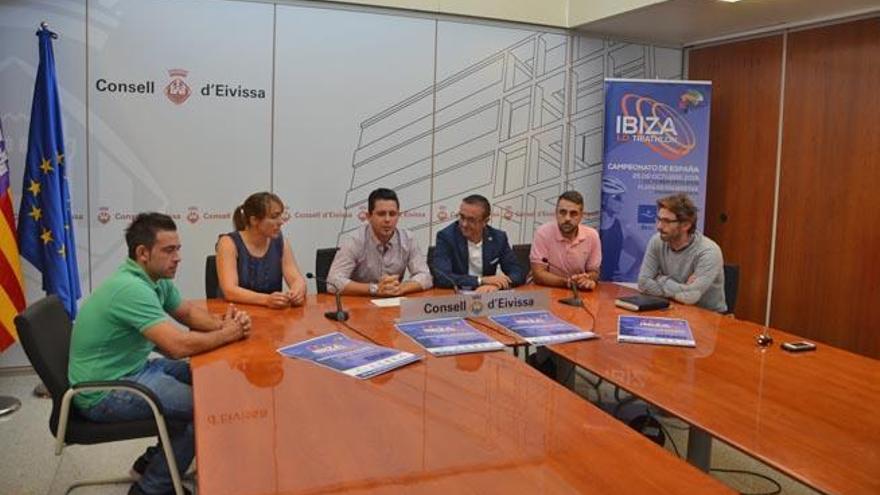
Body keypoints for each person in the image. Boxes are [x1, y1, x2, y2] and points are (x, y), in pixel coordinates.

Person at [68, 212, 251, 495]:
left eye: (177, 249)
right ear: (143, 253)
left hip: (134, 370)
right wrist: (228, 334)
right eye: (169, 250)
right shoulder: (131, 289)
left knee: (207, 378)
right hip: (102, 391)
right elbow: (176, 347)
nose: (177, 257)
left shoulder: (154, 277)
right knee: (202, 409)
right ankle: (153, 489)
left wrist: (223, 324)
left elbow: (187, 313)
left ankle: (151, 462)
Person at [327, 187, 432, 297]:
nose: (387, 219)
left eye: (392, 214)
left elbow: (425, 276)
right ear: (369, 217)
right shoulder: (355, 240)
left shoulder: (408, 239)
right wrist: (375, 288)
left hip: (394, 303)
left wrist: (401, 288)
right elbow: (333, 282)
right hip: (360, 304)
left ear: (398, 216)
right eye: (381, 214)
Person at [216, 192, 307, 308]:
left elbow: (296, 278)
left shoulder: (280, 242)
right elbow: (230, 291)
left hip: (272, 317)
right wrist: (266, 299)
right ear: (254, 220)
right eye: (274, 217)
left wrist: (297, 291)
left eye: (280, 216)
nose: (281, 222)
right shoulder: (228, 242)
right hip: (235, 315)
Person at [638, 193, 726, 313]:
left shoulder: (708, 251)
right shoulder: (657, 241)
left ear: (686, 225)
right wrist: (683, 289)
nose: (659, 226)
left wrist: (660, 279)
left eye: (667, 221)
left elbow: (691, 297)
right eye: (659, 219)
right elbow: (643, 283)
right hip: (670, 308)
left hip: (707, 316)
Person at [432, 194, 525, 293]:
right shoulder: (446, 237)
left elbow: (517, 272)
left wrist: (497, 285)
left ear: (485, 221)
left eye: (471, 220)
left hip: (488, 295)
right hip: (456, 298)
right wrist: (481, 281)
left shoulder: (498, 238)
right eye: (462, 217)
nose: (464, 224)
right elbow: (442, 277)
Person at [530, 190, 602, 291]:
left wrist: (587, 279)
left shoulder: (592, 235)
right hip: (547, 291)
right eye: (563, 212)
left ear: (581, 215)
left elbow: (594, 273)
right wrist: (568, 283)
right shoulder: (543, 233)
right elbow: (538, 274)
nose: (567, 218)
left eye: (573, 213)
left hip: (580, 293)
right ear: (556, 213)